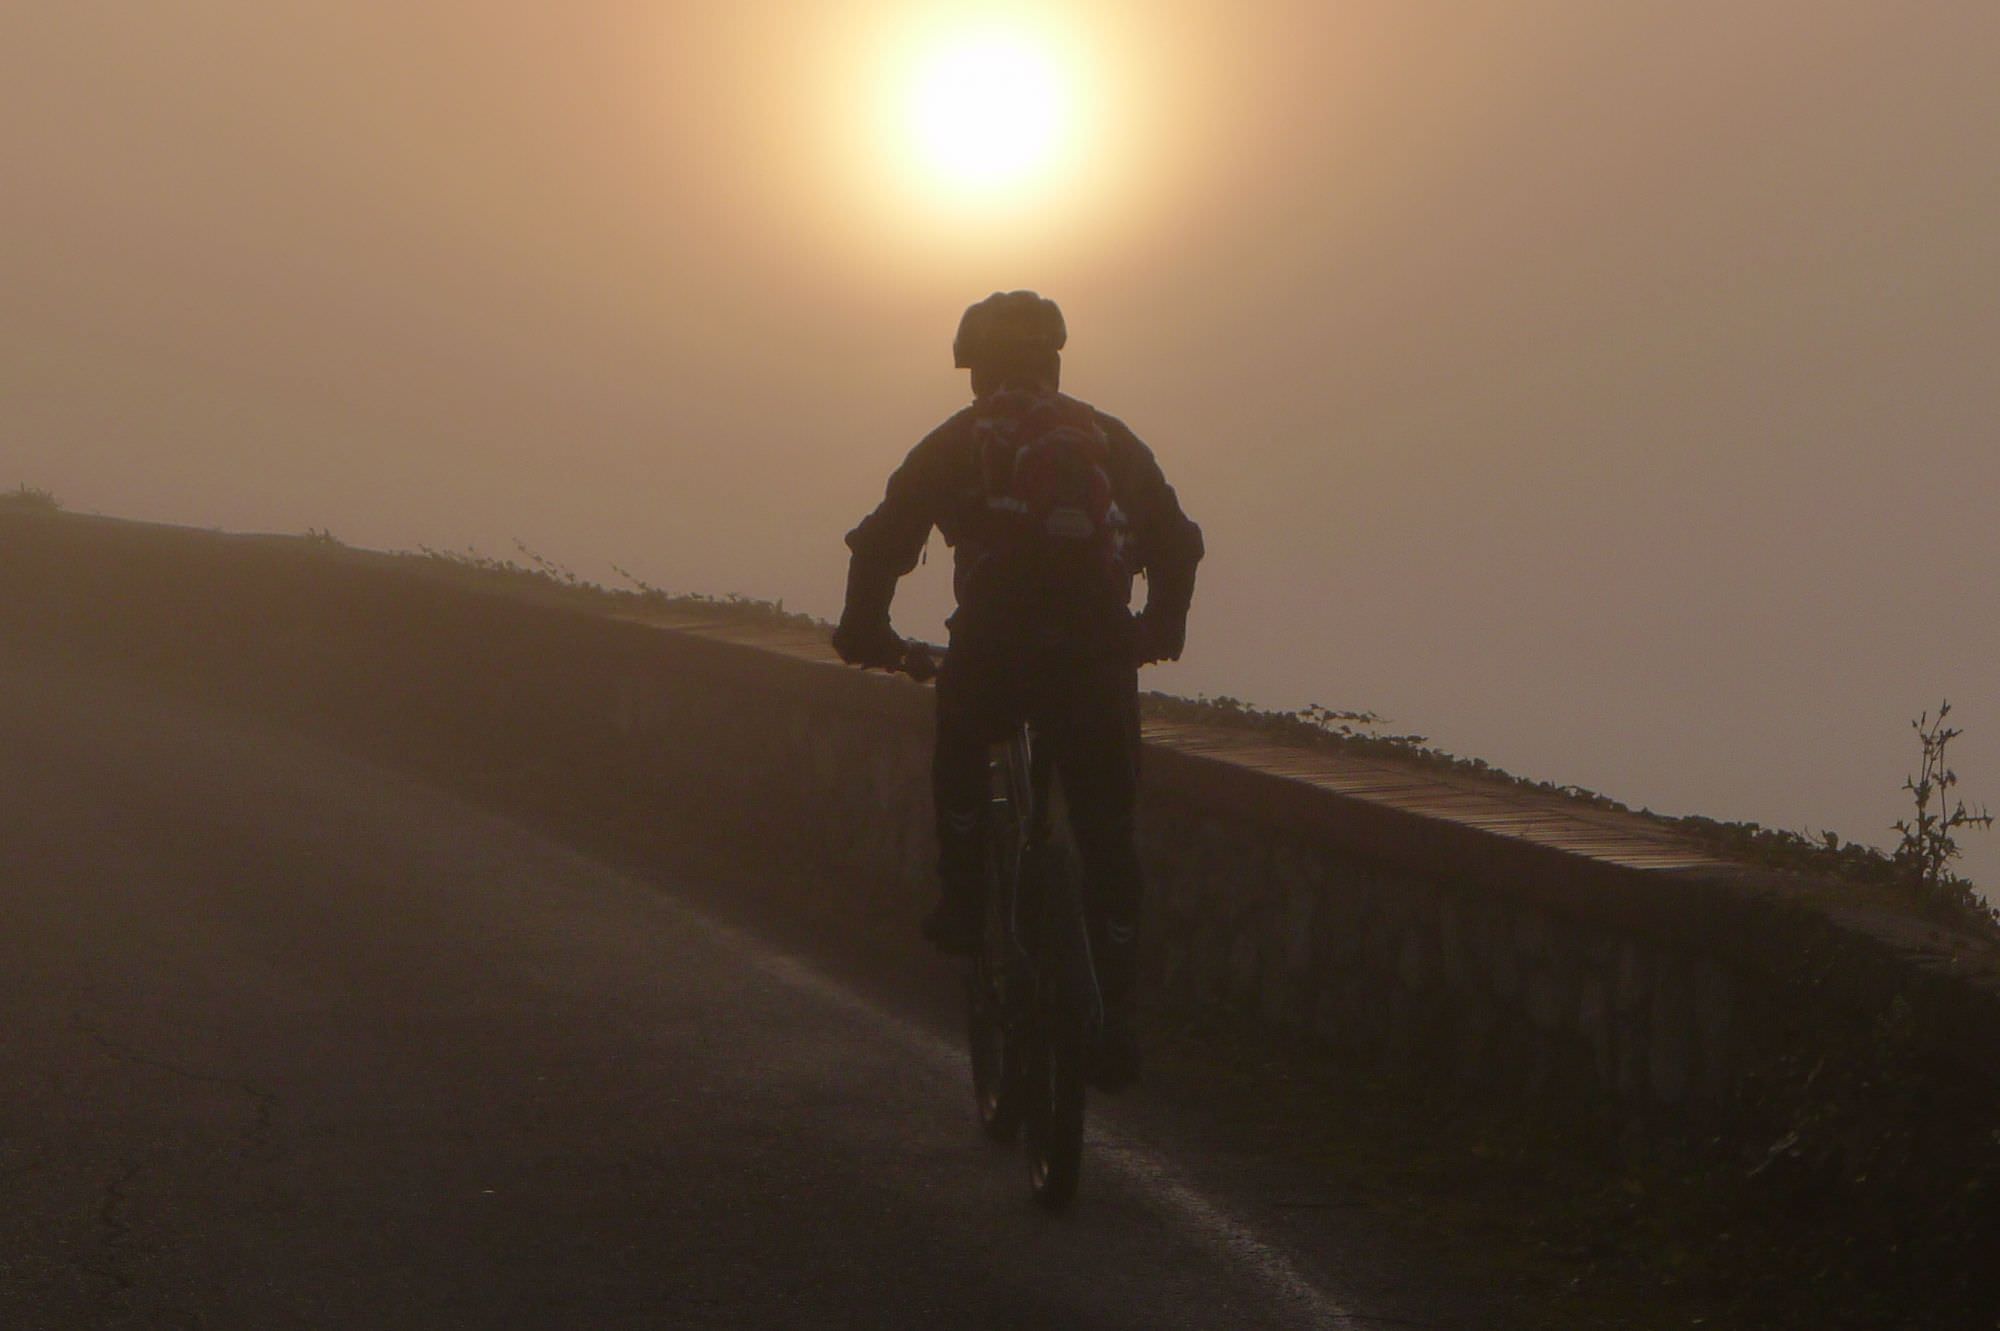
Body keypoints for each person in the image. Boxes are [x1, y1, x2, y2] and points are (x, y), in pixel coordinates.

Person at [832, 290, 1203, 1089]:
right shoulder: (1108, 442)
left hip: (995, 653)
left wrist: (866, 631)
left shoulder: (958, 442)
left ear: (975, 370)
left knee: (962, 747)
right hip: (1096, 661)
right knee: (1107, 835)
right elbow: (1177, 542)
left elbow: (882, 542)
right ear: (1055, 362)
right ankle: (1115, 1012)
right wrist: (1156, 632)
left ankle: (965, 905)